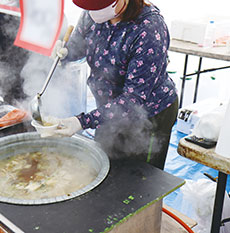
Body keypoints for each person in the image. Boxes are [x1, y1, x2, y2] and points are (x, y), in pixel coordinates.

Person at [49, 0, 179, 170]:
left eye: (100, 8)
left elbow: (133, 100)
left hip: (148, 115)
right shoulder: (92, 12)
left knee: (144, 183)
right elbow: (79, 45)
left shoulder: (149, 28)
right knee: (104, 168)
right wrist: (65, 52)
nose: (94, 14)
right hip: (108, 111)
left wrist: (82, 121)